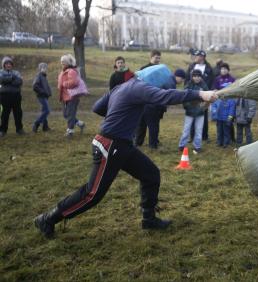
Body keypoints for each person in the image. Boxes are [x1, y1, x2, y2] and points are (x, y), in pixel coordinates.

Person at [34, 77, 217, 238]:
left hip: (122, 145)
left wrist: (118, 114)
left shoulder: (122, 87)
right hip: (110, 144)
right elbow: (166, 96)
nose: (157, 88)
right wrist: (200, 94)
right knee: (93, 194)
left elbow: (97, 107)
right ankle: (48, 219)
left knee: (151, 174)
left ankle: (149, 219)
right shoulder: (139, 87)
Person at [134, 50, 164, 148]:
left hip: (156, 101)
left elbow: (164, 84)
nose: (158, 59)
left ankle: (153, 144)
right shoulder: (144, 69)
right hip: (144, 101)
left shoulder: (161, 70)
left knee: (154, 125)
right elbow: (138, 83)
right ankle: (138, 142)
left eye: (159, 58)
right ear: (151, 57)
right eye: (156, 57)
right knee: (141, 124)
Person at [186, 50, 214, 141]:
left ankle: (204, 136)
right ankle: (192, 136)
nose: (195, 57)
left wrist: (209, 93)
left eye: (197, 56)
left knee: (203, 116)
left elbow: (212, 80)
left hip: (204, 96)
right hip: (192, 95)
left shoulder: (209, 68)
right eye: (195, 56)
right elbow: (187, 79)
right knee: (191, 115)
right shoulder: (192, 66)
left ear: (202, 57)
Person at [178, 69, 209, 154]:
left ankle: (197, 146)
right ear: (192, 77)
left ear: (201, 77)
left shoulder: (204, 85)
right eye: (195, 76)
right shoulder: (188, 85)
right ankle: (181, 145)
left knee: (199, 130)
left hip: (200, 113)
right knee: (186, 129)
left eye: (198, 76)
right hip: (190, 112)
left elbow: (207, 98)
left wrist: (203, 107)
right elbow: (184, 97)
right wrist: (187, 106)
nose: (197, 78)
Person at [58, 54, 85, 138]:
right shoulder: (63, 71)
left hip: (72, 97)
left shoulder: (71, 71)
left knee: (70, 115)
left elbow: (74, 82)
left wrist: (64, 84)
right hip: (64, 96)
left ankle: (70, 131)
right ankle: (80, 123)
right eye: (61, 62)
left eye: (64, 62)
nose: (62, 63)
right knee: (66, 114)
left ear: (68, 63)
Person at [0, 56, 24, 137]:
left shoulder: (16, 72)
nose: (8, 65)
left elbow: (19, 81)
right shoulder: (1, 72)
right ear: (3, 65)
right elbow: (1, 80)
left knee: (18, 113)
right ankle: (3, 130)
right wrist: (12, 78)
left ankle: (19, 129)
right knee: (5, 114)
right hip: (4, 96)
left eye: (10, 63)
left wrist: (8, 80)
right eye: (6, 63)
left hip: (16, 96)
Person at [32, 62, 52, 132]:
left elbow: (46, 86)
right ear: (40, 69)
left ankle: (45, 127)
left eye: (46, 68)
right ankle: (36, 123)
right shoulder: (39, 76)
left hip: (45, 96)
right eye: (43, 68)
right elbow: (35, 86)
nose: (45, 69)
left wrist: (48, 92)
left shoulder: (44, 76)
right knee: (47, 110)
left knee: (44, 111)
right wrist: (43, 92)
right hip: (41, 96)